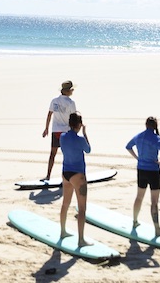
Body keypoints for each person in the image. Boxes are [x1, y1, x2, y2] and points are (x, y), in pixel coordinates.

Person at [125, 116, 160, 235]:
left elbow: (128, 146)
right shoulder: (156, 138)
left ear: (145, 125)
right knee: (154, 201)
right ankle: (157, 229)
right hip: (153, 171)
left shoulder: (139, 136)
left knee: (139, 197)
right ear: (155, 126)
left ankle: (135, 221)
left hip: (141, 169)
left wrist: (137, 157)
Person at [59, 111, 92, 246]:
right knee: (82, 208)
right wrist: (84, 133)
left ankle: (62, 231)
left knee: (65, 204)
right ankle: (81, 240)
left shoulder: (62, 137)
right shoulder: (80, 140)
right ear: (79, 124)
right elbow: (88, 150)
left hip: (65, 173)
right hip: (78, 175)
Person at [42, 80, 76, 180]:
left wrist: (46, 128)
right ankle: (67, 177)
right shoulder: (71, 103)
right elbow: (73, 118)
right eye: (72, 90)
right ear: (68, 91)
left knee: (52, 154)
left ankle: (48, 175)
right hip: (66, 132)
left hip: (55, 131)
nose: (72, 92)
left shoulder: (54, 101)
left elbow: (49, 114)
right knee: (67, 155)